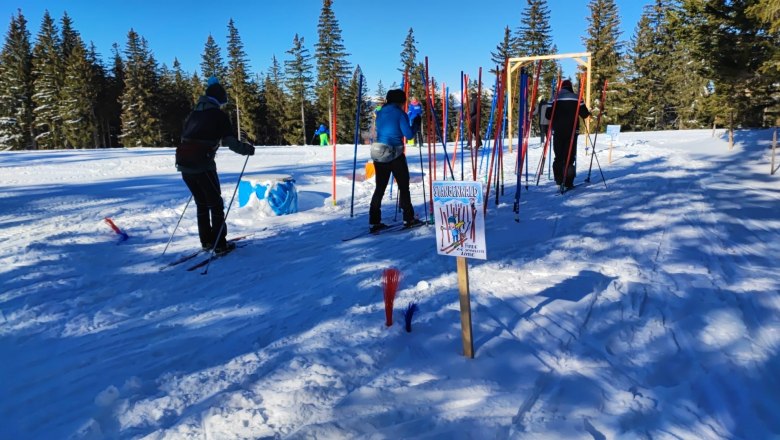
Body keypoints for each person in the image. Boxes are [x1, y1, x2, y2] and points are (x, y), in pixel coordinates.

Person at [175, 77, 255, 254]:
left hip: (184, 165)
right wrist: (247, 149)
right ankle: (219, 245)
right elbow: (231, 142)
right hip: (203, 166)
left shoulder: (193, 114)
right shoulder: (218, 115)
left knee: (201, 204)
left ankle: (206, 242)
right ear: (219, 99)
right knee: (216, 205)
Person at [369, 89, 423, 232]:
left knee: (380, 187)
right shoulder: (400, 113)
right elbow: (409, 134)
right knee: (403, 186)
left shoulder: (379, 113)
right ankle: (408, 218)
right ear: (401, 101)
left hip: (378, 153)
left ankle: (374, 221)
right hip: (395, 153)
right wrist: (416, 123)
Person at [545, 79, 590, 189]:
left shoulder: (554, 98)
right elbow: (585, 114)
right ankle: (569, 182)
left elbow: (548, 115)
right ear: (570, 87)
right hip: (572, 131)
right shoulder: (577, 97)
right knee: (570, 156)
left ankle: (559, 179)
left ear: (561, 88)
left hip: (558, 131)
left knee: (559, 156)